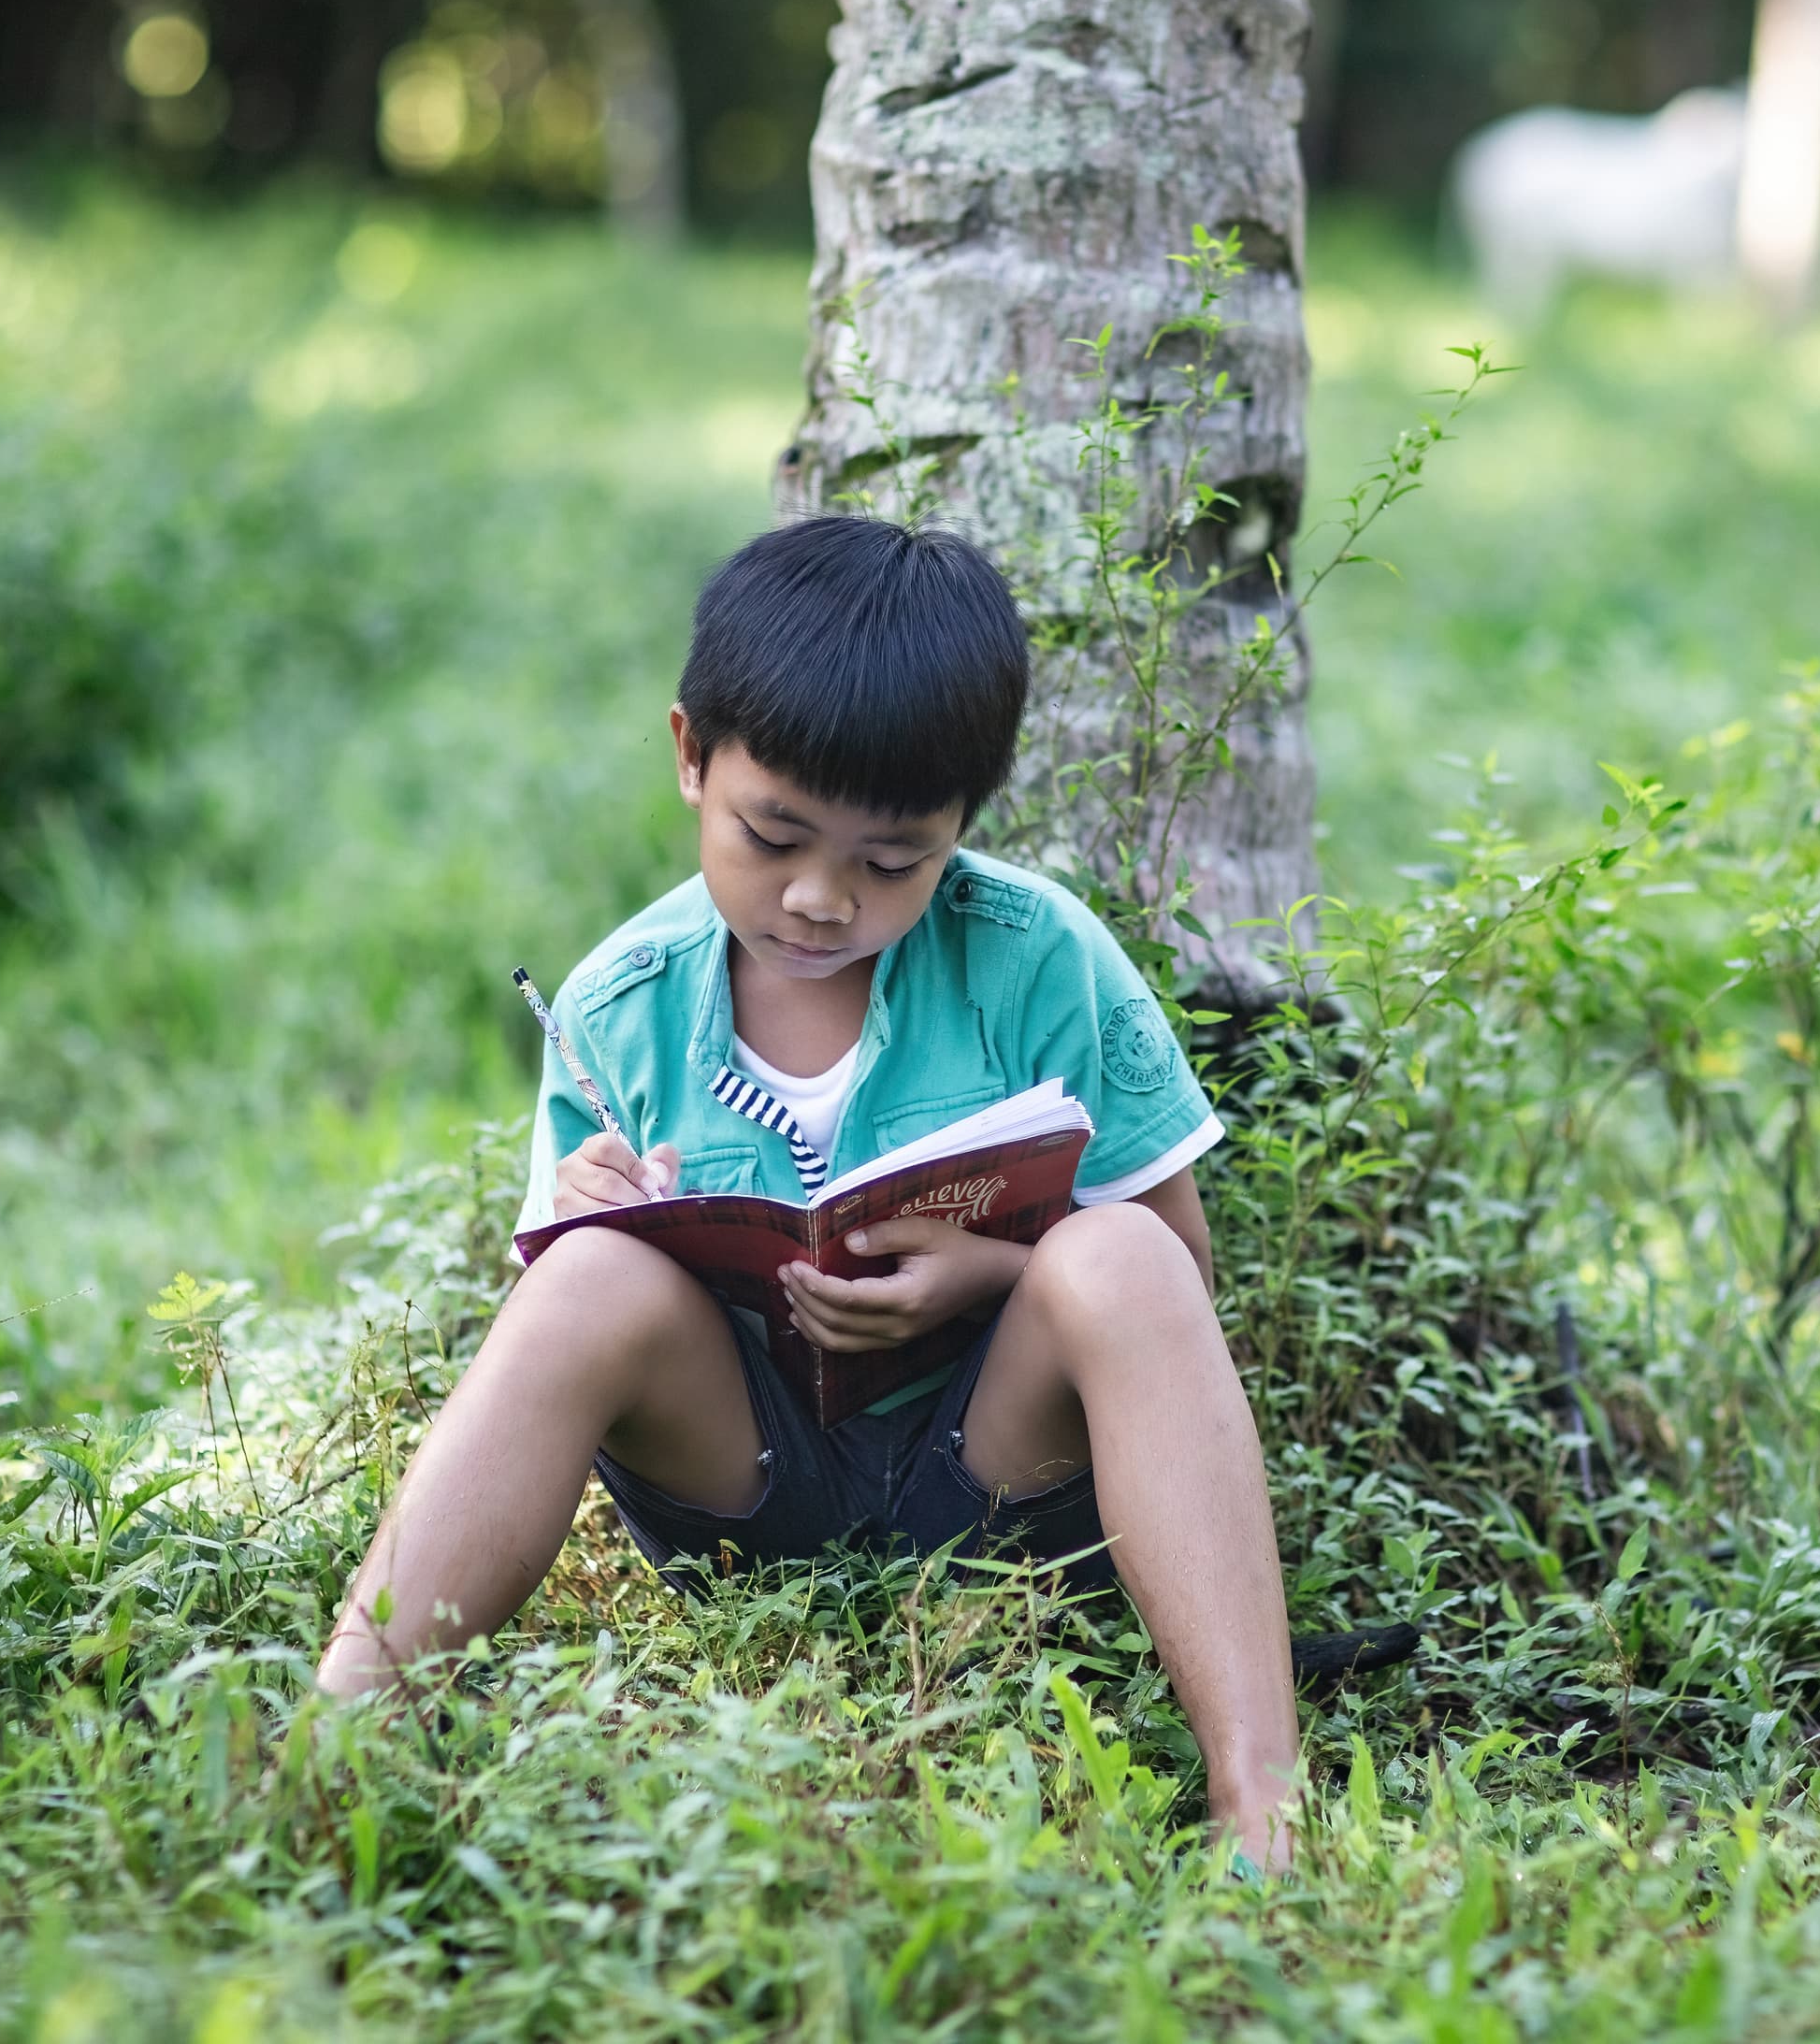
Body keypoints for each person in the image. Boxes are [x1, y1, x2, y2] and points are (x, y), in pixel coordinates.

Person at [317, 514, 1302, 1868]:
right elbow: (551, 1347)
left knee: (1117, 1257)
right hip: (747, 1490)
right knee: (591, 1273)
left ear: (964, 825)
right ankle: (342, 1733)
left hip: (1000, 1482)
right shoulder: (621, 1002)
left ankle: (1265, 1797)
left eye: (892, 860)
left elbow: (1179, 1282)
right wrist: (584, 1225)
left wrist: (997, 1274)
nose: (823, 898)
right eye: (772, 835)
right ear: (688, 759)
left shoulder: (1042, 961)